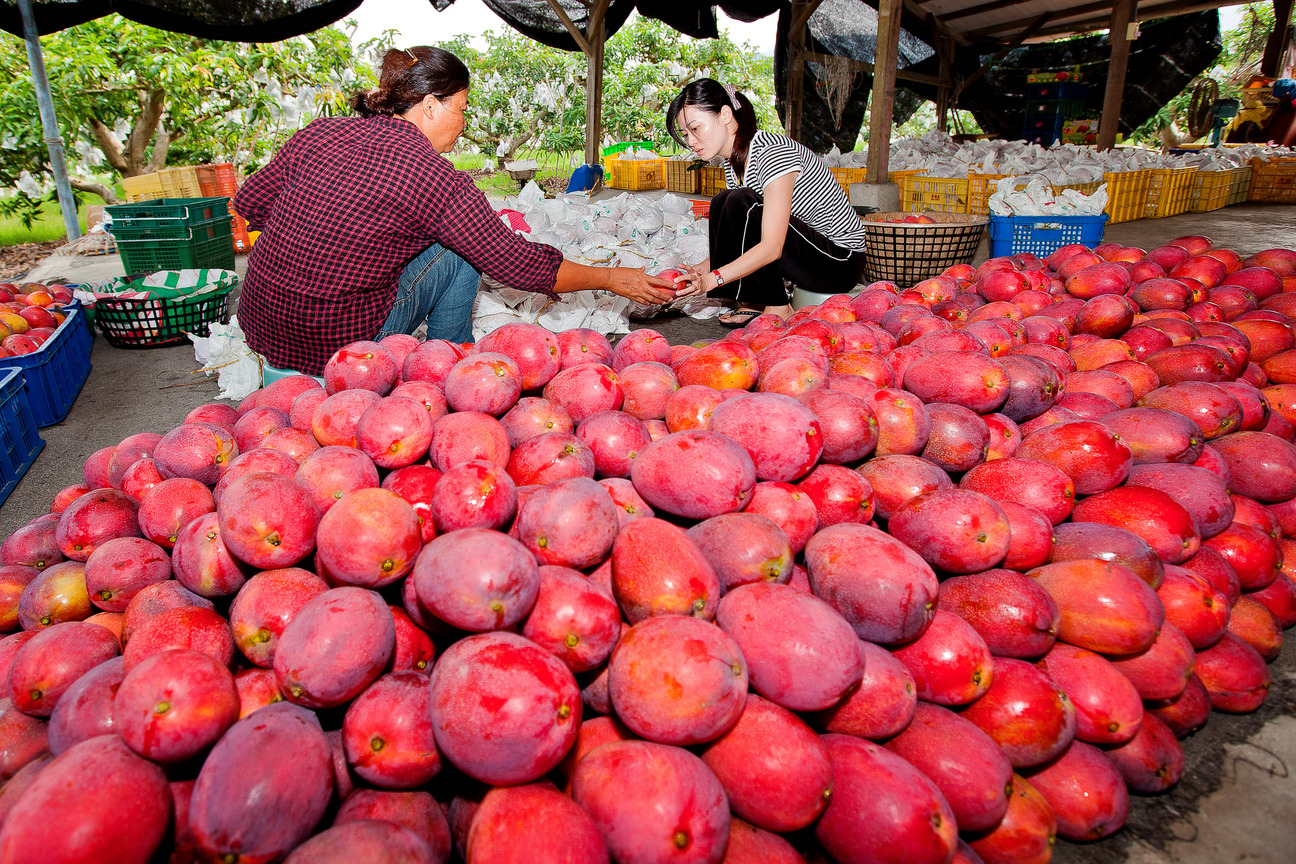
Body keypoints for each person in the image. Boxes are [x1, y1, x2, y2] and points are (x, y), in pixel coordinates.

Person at [233, 46, 674, 376]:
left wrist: (319, 238)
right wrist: (615, 277)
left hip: (264, 326)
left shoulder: (322, 133)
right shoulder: (434, 176)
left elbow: (250, 203)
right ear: (430, 104)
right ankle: (450, 369)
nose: (463, 124)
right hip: (341, 347)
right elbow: (517, 265)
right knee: (462, 253)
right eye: (461, 109)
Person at [665, 78, 868, 325]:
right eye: (686, 134)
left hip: (839, 262)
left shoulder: (772, 152)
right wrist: (699, 270)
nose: (691, 141)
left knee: (740, 202)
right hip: (808, 257)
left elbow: (772, 246)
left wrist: (712, 279)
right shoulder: (736, 162)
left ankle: (779, 306)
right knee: (724, 202)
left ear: (726, 115)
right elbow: (743, 233)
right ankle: (755, 301)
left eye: (696, 129)